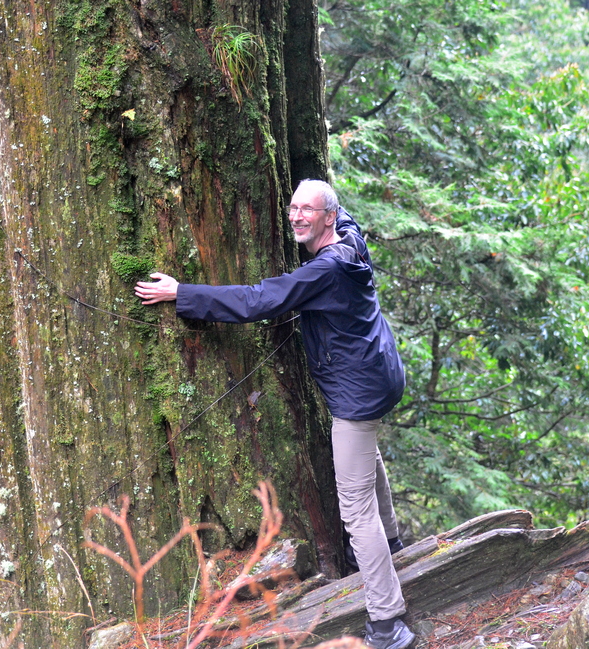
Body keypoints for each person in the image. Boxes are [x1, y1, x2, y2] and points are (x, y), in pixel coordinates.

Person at [134, 179, 415, 649]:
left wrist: (183, 294)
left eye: (309, 210)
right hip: (380, 375)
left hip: (360, 393)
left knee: (354, 507)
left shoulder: (327, 268)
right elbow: (326, 227)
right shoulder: (350, 235)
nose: (297, 216)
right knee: (365, 456)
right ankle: (392, 545)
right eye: (293, 207)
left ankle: (388, 622)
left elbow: (260, 300)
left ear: (330, 216)